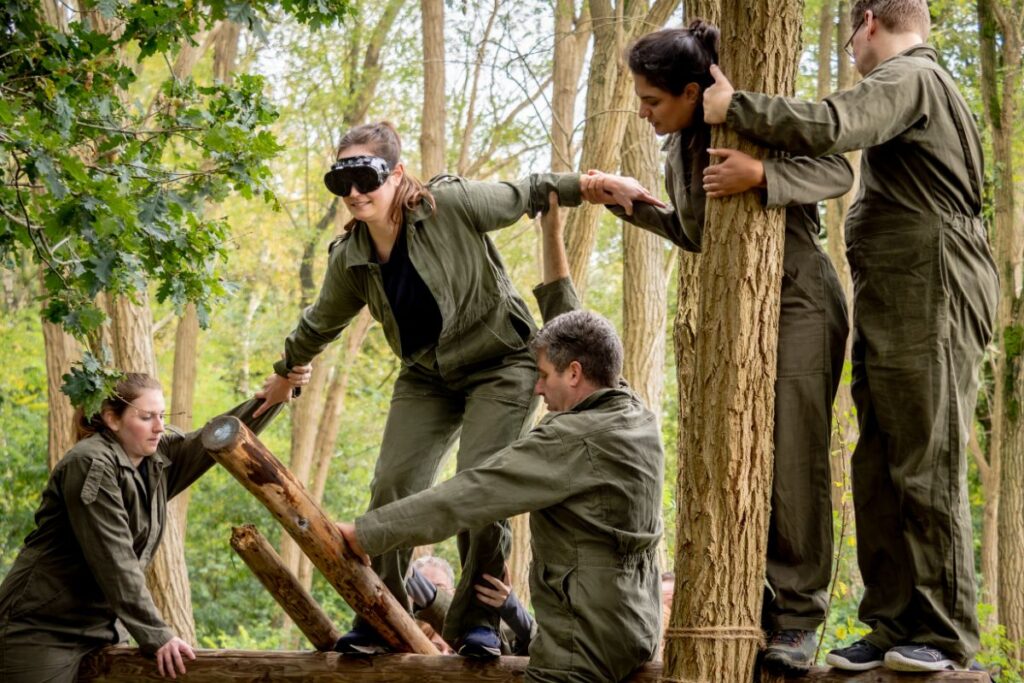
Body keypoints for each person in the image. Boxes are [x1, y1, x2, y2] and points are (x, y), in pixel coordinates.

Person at [253, 121, 662, 657]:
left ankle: (478, 621)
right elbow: (318, 324)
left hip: (501, 363)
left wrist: (599, 185)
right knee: (393, 485)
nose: (354, 193)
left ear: (397, 174)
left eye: (365, 177)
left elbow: (530, 191)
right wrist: (286, 374)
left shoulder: (450, 205)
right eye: (340, 182)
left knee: (482, 480)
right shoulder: (350, 259)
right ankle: (382, 615)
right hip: (427, 376)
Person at [702, 0, 998, 673]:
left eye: (850, 39)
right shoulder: (911, 83)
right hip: (896, 294)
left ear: (868, 22)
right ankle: (893, 621)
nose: (852, 53)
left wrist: (737, 107)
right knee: (880, 462)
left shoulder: (912, 75)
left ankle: (945, 633)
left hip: (936, 284)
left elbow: (839, 125)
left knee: (925, 455)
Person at [577, 20, 852, 674]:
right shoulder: (678, 146)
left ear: (693, 89)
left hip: (801, 296)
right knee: (739, 452)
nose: (643, 115)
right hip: (739, 315)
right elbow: (699, 232)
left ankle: (797, 616)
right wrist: (630, 203)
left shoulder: (746, 111)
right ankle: (750, 596)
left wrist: (761, 174)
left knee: (792, 454)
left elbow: (836, 168)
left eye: (652, 102)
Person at [336, 195, 664, 682]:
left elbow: (473, 492)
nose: (535, 387)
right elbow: (568, 315)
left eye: (544, 376)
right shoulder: (627, 407)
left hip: (582, 646)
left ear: (574, 374)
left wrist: (366, 534)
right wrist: (551, 233)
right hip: (627, 623)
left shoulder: (578, 440)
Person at [0, 369, 306, 682]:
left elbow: (214, 439)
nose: (159, 427)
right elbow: (115, 561)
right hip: (43, 628)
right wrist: (158, 634)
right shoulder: (90, 463)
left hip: (103, 630)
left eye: (162, 415)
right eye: (147, 417)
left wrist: (276, 397)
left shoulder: (157, 460)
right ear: (112, 418)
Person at [406, 555, 535, 655]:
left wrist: (511, 608)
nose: (419, 598)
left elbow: (540, 644)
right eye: (414, 591)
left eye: (440, 589)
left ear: (454, 594)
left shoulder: (484, 629)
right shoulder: (394, 630)